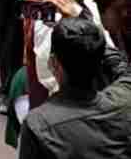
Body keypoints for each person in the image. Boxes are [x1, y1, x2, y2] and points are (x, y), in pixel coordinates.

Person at [16, 16, 131, 159]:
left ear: (53, 63)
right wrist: (87, 29)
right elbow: (122, 69)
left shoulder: (38, 124)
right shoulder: (124, 100)